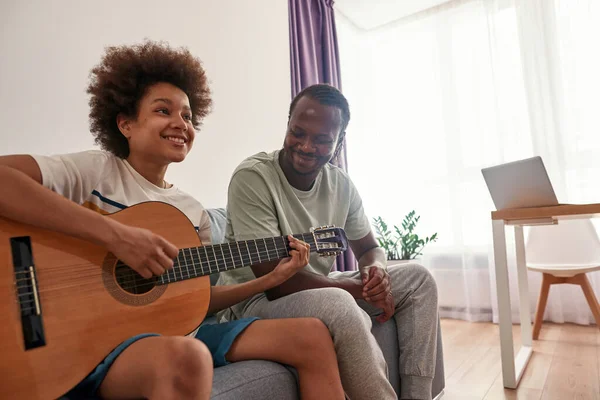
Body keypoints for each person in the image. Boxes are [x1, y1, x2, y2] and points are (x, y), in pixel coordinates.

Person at [0, 42, 345, 400]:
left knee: (313, 336)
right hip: (94, 342)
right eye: (163, 110)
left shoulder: (191, 213)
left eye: (188, 116)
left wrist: (271, 279)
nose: (180, 123)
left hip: (173, 331)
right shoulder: (98, 171)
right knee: (186, 358)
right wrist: (116, 236)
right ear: (126, 123)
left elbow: (197, 302)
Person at [216, 83, 440, 400]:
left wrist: (376, 273)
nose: (306, 146)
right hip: (255, 301)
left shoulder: (341, 184)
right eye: (298, 132)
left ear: (339, 141)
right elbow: (272, 278)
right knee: (339, 302)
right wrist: (357, 289)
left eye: (321, 140)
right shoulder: (252, 177)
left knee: (418, 278)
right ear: (288, 123)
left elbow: (369, 248)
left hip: (315, 286)